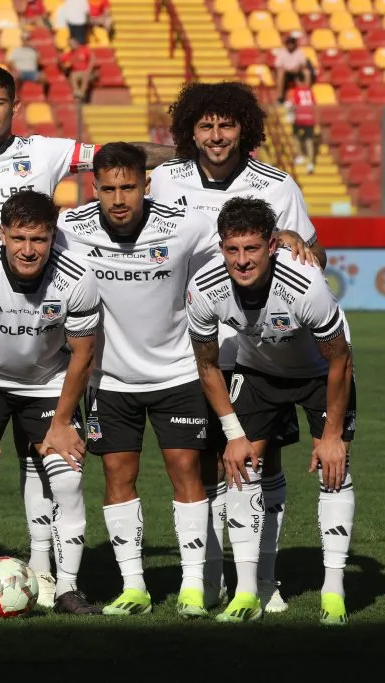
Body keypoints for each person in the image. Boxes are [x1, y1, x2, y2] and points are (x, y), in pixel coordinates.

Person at [0, 65, 173, 612]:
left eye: (1, 101)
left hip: (45, 361)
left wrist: (182, 155)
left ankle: (58, 583)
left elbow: (115, 158)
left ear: (14, 105)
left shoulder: (46, 152)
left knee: (57, 474)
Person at [149, 80, 325, 614]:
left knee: (257, 463)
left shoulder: (277, 185)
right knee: (205, 468)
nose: (217, 135)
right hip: (187, 346)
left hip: (255, 350)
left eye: (227, 124)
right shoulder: (165, 179)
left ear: (244, 128)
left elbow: (313, 256)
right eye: (206, 125)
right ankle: (212, 578)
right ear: (191, 131)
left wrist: (298, 243)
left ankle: (263, 580)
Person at [55, 143, 219, 618]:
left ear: (146, 185)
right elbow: (24, 236)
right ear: (95, 189)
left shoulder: (184, 225)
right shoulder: (72, 227)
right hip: (109, 380)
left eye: (129, 187)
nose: (119, 198)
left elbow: (237, 239)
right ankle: (134, 587)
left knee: (186, 472)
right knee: (116, 477)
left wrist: (287, 235)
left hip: (178, 373)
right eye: (109, 188)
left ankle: (192, 586)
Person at [186, 197, 355, 625]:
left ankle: (333, 593)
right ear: (221, 246)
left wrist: (332, 435)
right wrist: (233, 433)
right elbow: (207, 365)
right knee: (241, 468)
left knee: (335, 468)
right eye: (232, 249)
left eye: (252, 249)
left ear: (272, 246)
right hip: (258, 372)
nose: (242, 261)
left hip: (319, 373)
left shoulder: (306, 284)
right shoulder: (204, 288)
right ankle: (246, 593)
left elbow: (340, 361)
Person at [0, 191, 101, 618]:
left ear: (53, 236)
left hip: (49, 384)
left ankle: (66, 588)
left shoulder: (76, 277)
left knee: (66, 479)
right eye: (18, 238)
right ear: (2, 235)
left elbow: (83, 355)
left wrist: (64, 421)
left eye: (39, 239)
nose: (28, 250)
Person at [287, 69, 317, 174]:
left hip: (300, 117)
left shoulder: (296, 91)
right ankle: (311, 163)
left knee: (295, 135)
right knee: (309, 140)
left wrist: (289, 113)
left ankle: (300, 155)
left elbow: (293, 105)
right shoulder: (310, 91)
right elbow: (314, 104)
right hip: (310, 117)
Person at [273, 32, 310, 104]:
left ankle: (306, 95)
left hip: (297, 73)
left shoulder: (299, 52)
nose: (290, 45)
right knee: (281, 73)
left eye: (292, 43)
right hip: (286, 74)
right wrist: (288, 70)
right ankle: (280, 97)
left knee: (307, 72)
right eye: (289, 43)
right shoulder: (281, 52)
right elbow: (278, 66)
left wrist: (298, 68)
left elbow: (303, 65)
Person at [59, 36, 96, 103]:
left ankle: (81, 94)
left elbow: (92, 58)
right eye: (69, 44)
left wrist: (89, 70)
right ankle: (77, 93)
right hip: (77, 73)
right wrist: (63, 66)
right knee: (73, 75)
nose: (71, 45)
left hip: (87, 72)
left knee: (85, 76)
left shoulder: (84, 49)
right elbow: (60, 60)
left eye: (72, 43)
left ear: (76, 42)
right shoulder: (70, 54)